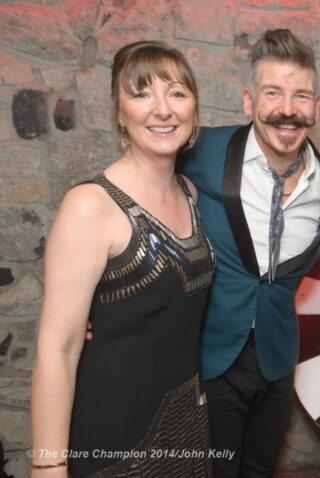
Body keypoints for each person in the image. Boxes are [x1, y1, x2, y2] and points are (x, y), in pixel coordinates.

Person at [31, 41, 215, 477]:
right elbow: (57, 350)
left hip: (188, 432)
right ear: (118, 111)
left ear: (193, 108)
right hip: (113, 444)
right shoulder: (90, 205)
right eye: (141, 93)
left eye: (176, 92)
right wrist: (48, 468)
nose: (162, 109)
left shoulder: (190, 194)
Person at [178, 29, 320, 477]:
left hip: (277, 360)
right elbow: (136, 203)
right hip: (212, 358)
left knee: (259, 470)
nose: (287, 110)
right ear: (249, 102)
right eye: (273, 93)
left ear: (316, 107)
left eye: (301, 96)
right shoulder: (199, 152)